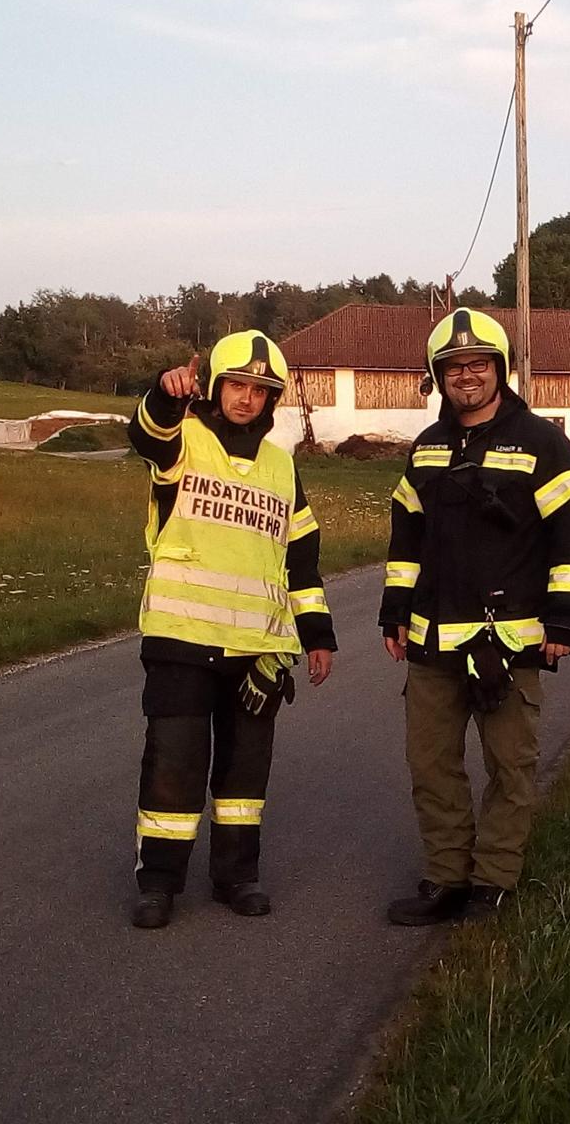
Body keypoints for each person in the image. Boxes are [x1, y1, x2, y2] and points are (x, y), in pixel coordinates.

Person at [380, 308, 570, 925]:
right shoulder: (427, 448)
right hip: (432, 641)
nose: (467, 376)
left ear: (500, 369)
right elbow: (406, 536)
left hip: (509, 642)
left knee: (510, 766)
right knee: (431, 766)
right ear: (438, 376)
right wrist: (394, 612)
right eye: (453, 367)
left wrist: (565, 621)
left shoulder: (542, 442)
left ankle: (492, 881)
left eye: (478, 364)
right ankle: (446, 878)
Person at [125, 329, 335, 930]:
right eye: (237, 385)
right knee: (174, 766)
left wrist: (317, 636)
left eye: (260, 390)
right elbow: (146, 433)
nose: (247, 398)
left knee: (245, 776)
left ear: (272, 400)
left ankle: (237, 877)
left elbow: (301, 561)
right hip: (181, 641)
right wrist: (165, 395)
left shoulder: (282, 467)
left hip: (256, 651)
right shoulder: (184, 439)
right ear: (215, 387)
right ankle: (158, 884)